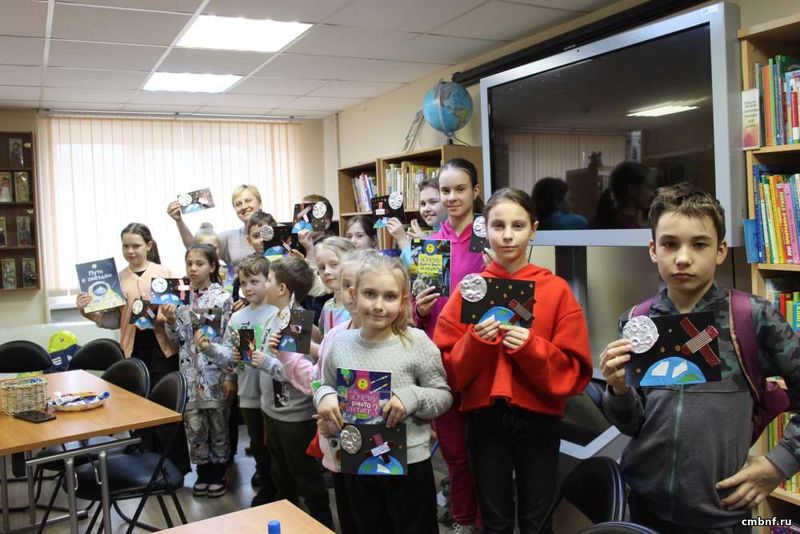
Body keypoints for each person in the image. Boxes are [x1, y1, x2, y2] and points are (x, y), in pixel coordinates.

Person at [599, 183, 800, 533]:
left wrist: (780, 462)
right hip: (642, 508)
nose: (682, 258)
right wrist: (617, 391)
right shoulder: (636, 321)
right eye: (670, 244)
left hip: (721, 515)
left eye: (699, 244)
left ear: (720, 251)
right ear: (653, 249)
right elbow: (634, 425)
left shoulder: (752, 317)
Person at [435, 188, 592, 533]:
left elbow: (574, 372)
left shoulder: (555, 290)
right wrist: (475, 342)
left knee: (538, 518)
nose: (507, 235)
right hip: (484, 419)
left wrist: (532, 348)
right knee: (495, 519)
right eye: (498, 225)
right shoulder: (470, 290)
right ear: (485, 229)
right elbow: (446, 371)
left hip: (540, 418)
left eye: (518, 226)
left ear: (533, 230)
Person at [316, 254, 453, 534]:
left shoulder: (417, 343)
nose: (378, 305)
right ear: (353, 295)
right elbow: (323, 383)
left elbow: (442, 396)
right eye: (369, 294)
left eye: (389, 297)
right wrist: (324, 396)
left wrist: (411, 397)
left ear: (403, 301)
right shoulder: (340, 343)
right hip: (357, 459)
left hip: (409, 464)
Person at [414, 157, 486, 533]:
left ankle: (487, 521)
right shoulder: (432, 244)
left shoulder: (488, 237)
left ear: (475, 191)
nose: (452, 197)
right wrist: (420, 309)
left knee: (486, 451)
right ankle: (463, 519)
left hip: (481, 359)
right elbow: (420, 310)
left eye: (460, 189)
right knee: (454, 452)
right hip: (440, 361)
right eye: (445, 190)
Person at [253, 256, 334, 528]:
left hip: (294, 416)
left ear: (282, 288)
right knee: (280, 472)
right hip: (273, 411)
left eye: (268, 279)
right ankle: (289, 522)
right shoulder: (275, 316)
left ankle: (322, 524)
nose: (264, 284)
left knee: (304, 475)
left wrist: (266, 363)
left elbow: (296, 372)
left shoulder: (297, 320)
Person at [161, 244, 233, 498]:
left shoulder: (223, 298)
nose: (193, 268)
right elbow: (175, 339)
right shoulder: (179, 298)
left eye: (199, 263)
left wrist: (230, 374)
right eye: (189, 263)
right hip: (189, 373)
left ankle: (219, 472)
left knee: (218, 424)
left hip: (215, 372)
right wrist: (170, 320)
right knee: (194, 425)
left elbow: (229, 338)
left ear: (212, 266)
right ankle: (202, 472)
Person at [207, 254, 278, 507]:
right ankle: (267, 486)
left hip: (276, 394)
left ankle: (282, 489)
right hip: (248, 391)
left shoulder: (278, 313)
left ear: (269, 281)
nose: (248, 288)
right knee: (257, 442)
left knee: (276, 445)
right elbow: (229, 354)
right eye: (244, 282)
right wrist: (209, 349)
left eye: (254, 282)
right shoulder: (238, 318)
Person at [76, 223, 178, 388]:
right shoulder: (115, 281)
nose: (130, 251)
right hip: (133, 347)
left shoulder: (165, 273)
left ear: (148, 245)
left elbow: (179, 312)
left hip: (163, 347)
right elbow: (117, 320)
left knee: (163, 392)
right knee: (137, 391)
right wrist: (88, 312)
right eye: (126, 246)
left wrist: (168, 315)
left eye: (136, 246)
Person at [167, 184, 262, 267]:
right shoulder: (229, 238)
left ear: (260, 204)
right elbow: (195, 249)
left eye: (248, 201)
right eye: (238, 204)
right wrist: (179, 221)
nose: (244, 206)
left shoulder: (271, 231)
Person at [386, 176, 448, 265]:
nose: (426, 208)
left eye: (433, 202)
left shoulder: (449, 234)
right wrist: (425, 239)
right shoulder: (440, 231)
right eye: (423, 204)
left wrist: (402, 240)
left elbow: (423, 268)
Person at [592, 161, 655, 229]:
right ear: (632, 190)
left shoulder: (610, 221)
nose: (652, 193)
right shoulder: (629, 228)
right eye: (648, 187)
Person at [314, 236, 356, 336]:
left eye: (334, 264)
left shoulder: (357, 307)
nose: (326, 271)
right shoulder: (327, 306)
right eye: (322, 268)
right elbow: (324, 340)